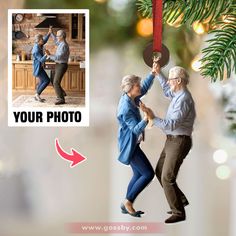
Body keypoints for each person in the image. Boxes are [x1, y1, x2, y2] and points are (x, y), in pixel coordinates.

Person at [141, 65, 196, 223]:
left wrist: (153, 117)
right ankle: (181, 200)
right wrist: (159, 74)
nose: (169, 83)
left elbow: (171, 124)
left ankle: (178, 212)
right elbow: (166, 90)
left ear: (178, 81)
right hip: (171, 139)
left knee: (167, 177)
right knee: (159, 171)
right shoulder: (177, 93)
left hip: (179, 141)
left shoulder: (184, 99)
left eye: (172, 80)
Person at [117, 62, 158, 218]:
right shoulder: (125, 108)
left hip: (133, 143)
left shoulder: (132, 98)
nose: (139, 87)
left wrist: (153, 73)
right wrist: (147, 117)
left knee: (138, 174)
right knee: (148, 174)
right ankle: (128, 201)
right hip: (129, 145)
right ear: (130, 88)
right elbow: (135, 129)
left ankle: (126, 203)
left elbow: (145, 88)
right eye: (137, 86)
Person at [46, 29, 70, 105]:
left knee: (56, 82)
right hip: (58, 64)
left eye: (58, 36)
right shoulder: (60, 43)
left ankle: (61, 99)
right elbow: (56, 41)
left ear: (62, 36)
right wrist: (51, 33)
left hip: (61, 65)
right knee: (53, 80)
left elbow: (58, 57)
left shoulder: (64, 45)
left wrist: (49, 56)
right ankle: (62, 93)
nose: (56, 37)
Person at [32, 30, 51, 102]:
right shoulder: (36, 50)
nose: (43, 40)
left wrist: (49, 33)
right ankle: (37, 94)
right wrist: (46, 54)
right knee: (46, 80)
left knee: (43, 81)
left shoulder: (39, 44)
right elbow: (41, 60)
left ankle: (37, 95)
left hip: (40, 67)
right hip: (38, 68)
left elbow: (45, 40)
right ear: (39, 41)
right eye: (42, 39)